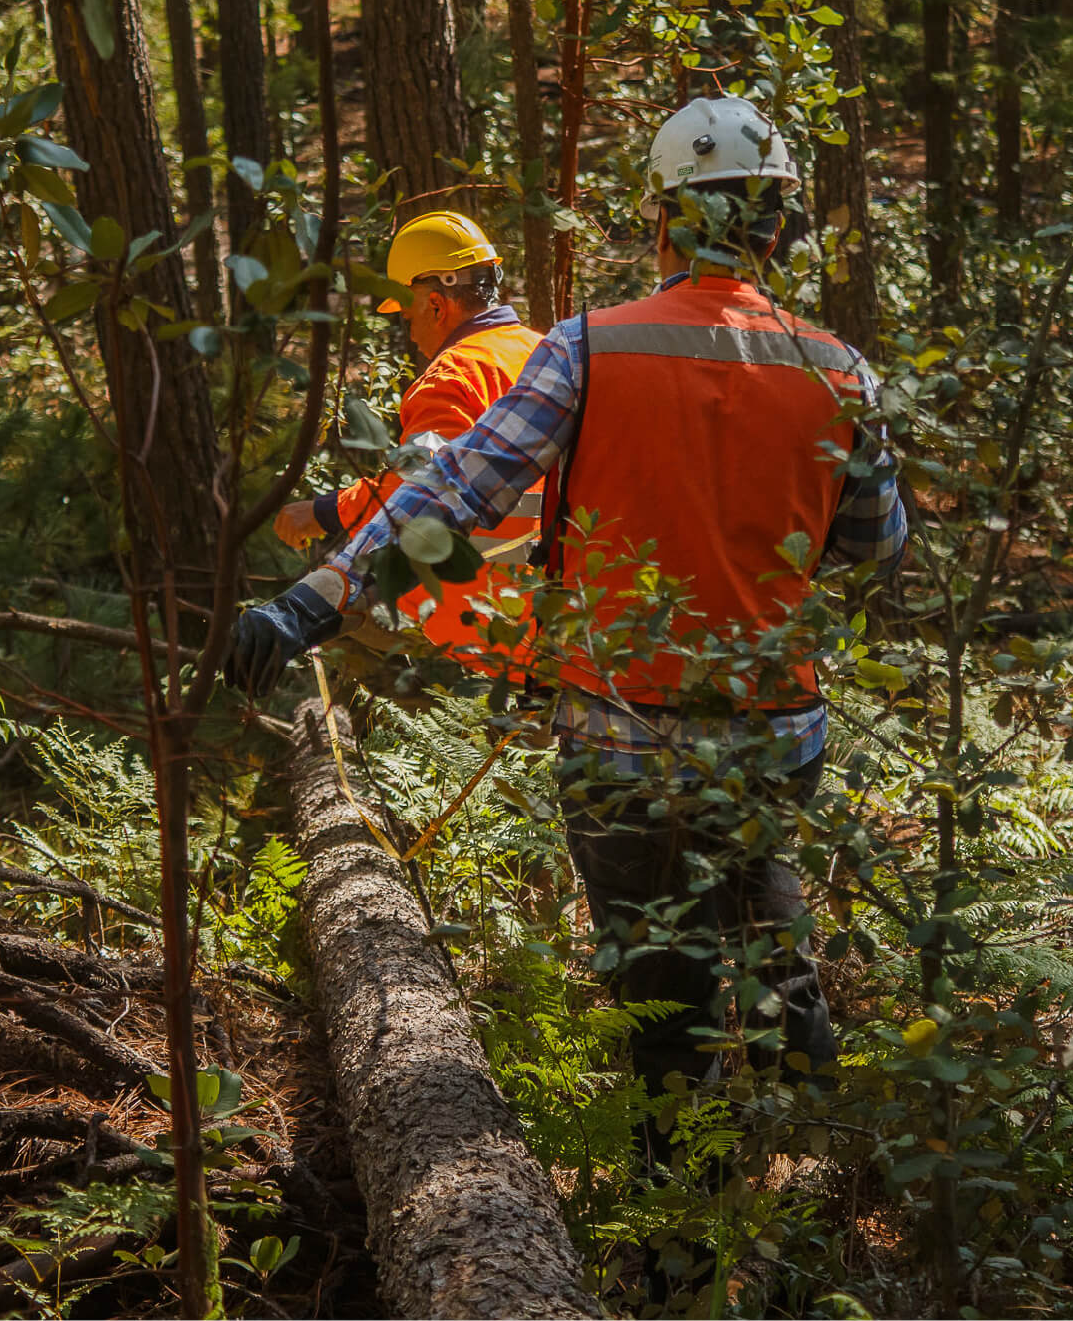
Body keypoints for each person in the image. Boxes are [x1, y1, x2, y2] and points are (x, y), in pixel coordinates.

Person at [227, 96, 906, 1136]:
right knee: (773, 948)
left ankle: (681, 1230)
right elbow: (875, 543)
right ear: (776, 225)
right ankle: (829, 1187)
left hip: (619, 731)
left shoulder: (589, 349)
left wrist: (308, 605)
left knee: (662, 998)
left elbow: (451, 495)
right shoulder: (837, 368)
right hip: (773, 728)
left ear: (660, 220)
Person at [273, 211, 543, 677]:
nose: (410, 333)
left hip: (485, 615)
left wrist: (323, 511)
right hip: (564, 601)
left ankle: (422, 740)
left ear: (437, 306)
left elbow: (416, 489)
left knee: (342, 622)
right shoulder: (544, 351)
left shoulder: (451, 379)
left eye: (407, 315)